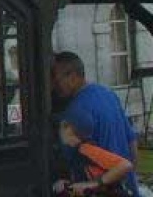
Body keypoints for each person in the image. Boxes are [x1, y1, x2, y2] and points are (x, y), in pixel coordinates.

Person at [51, 51, 138, 195]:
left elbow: (72, 162)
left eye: (56, 79)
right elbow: (132, 141)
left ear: (72, 77)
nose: (54, 85)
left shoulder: (75, 110)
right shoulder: (108, 94)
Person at [52, 109, 133, 196]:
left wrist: (93, 184)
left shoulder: (86, 149)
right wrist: (68, 184)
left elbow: (125, 165)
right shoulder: (74, 152)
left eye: (61, 126)